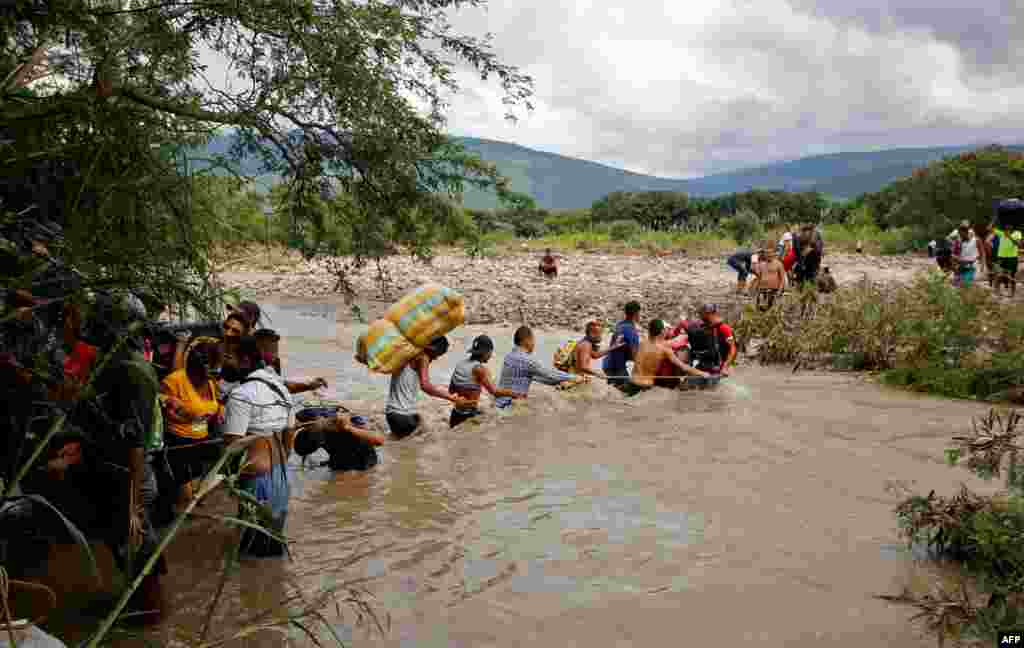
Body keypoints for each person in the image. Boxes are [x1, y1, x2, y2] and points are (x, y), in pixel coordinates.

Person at [221, 336, 296, 556]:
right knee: (271, 545)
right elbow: (290, 431)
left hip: (257, 478)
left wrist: (228, 480)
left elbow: (232, 447)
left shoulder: (241, 394)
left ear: (244, 360)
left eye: (228, 357)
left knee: (250, 549)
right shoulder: (280, 387)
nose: (224, 363)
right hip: (281, 474)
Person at [160, 338, 224, 513]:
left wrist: (217, 413)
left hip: (200, 443)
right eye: (213, 365)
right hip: (178, 443)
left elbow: (216, 404)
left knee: (197, 496)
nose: (217, 370)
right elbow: (161, 409)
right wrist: (185, 416)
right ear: (201, 364)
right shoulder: (175, 381)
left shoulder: (210, 382)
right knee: (187, 500)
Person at [385, 336, 465, 438]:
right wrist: (451, 398)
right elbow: (426, 386)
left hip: (392, 414)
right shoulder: (423, 357)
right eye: (437, 354)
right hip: (403, 415)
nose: (436, 358)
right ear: (431, 348)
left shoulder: (406, 354)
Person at [448, 335, 524, 427]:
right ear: (485, 353)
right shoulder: (479, 369)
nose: (491, 355)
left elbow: (451, 390)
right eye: (490, 352)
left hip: (455, 415)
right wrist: (515, 394)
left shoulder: (460, 364)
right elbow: (494, 392)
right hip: (467, 418)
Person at [495, 326, 581, 408]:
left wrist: (559, 382)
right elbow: (549, 374)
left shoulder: (509, 356)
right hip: (509, 405)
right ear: (527, 340)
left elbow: (539, 377)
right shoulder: (526, 360)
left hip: (499, 403)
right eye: (533, 340)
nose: (534, 344)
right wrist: (575, 377)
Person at [621, 319, 708, 395]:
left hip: (631, 384)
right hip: (645, 387)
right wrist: (702, 373)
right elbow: (684, 367)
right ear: (662, 331)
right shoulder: (665, 349)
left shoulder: (642, 343)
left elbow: (663, 342)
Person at [253, 328, 328, 394]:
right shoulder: (254, 366)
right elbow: (286, 387)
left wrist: (310, 385)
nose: (274, 353)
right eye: (270, 349)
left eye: (276, 349)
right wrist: (308, 386)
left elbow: (283, 385)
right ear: (259, 347)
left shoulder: (271, 366)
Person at [680, 304, 737, 376]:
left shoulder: (724, 328)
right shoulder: (704, 327)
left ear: (712, 314)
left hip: (722, 365)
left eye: (704, 315)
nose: (702, 317)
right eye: (701, 315)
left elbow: (733, 348)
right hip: (708, 363)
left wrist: (725, 366)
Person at [603, 301, 642, 390]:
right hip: (616, 368)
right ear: (636, 313)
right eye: (640, 313)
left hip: (608, 363)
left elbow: (623, 349)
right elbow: (634, 355)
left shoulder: (620, 324)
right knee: (630, 393)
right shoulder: (631, 331)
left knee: (617, 392)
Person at [749, 246, 786, 311]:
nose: (769, 255)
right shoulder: (761, 264)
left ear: (773, 254)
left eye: (770, 253)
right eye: (767, 253)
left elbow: (782, 279)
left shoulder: (778, 264)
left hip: (774, 290)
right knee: (760, 310)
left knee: (771, 309)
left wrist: (780, 291)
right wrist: (753, 289)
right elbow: (758, 278)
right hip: (762, 290)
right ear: (765, 254)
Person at [991, 223, 1023, 297]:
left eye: (1009, 225)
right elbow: (989, 228)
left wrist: (1009, 237)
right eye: (1006, 226)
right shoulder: (1001, 233)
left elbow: (1019, 245)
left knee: (1012, 276)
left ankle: (1012, 293)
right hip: (1001, 257)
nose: (1007, 227)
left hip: (1012, 257)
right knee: (999, 274)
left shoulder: (1017, 233)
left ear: (1012, 226)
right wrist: (994, 219)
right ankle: (997, 291)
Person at [950, 221, 980, 289]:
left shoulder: (975, 239)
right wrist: (954, 264)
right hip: (960, 267)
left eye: (961, 234)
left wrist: (981, 265)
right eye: (959, 235)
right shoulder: (958, 241)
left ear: (966, 232)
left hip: (971, 266)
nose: (960, 236)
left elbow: (981, 253)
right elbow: (953, 255)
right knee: (957, 286)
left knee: (965, 285)